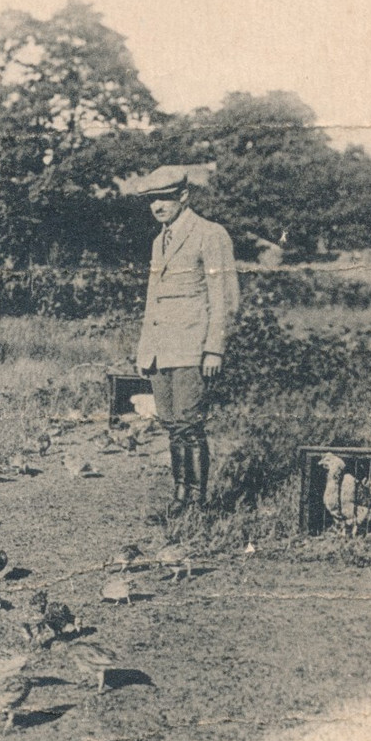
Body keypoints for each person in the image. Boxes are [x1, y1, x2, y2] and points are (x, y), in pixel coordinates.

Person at [128, 165, 241, 514]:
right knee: (172, 426)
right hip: (161, 351)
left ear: (183, 196)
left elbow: (225, 296)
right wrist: (145, 349)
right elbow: (153, 299)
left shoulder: (210, 233)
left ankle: (196, 502)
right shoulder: (158, 242)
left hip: (193, 349)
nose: (158, 206)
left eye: (165, 197)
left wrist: (214, 348)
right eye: (151, 200)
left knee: (191, 426)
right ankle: (179, 498)